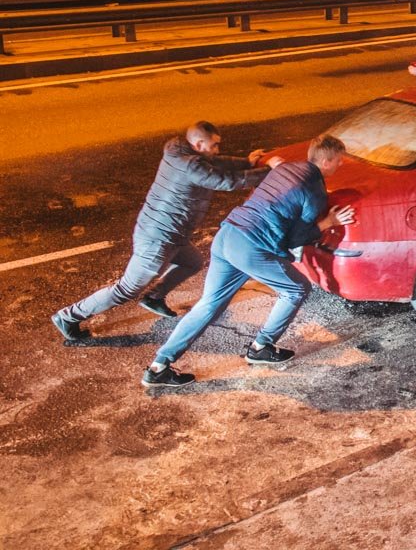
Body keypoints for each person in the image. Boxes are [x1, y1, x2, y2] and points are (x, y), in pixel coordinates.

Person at [142, 135, 356, 387]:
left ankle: (159, 366)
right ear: (326, 160)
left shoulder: (286, 167)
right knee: (296, 288)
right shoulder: (313, 190)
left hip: (227, 235)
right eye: (338, 161)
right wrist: (330, 222)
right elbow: (297, 236)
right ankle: (262, 346)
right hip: (251, 247)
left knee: (209, 305)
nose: (340, 165)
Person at [51, 122, 277, 342]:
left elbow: (215, 163)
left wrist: (247, 162)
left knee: (192, 263)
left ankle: (155, 297)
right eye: (214, 145)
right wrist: (269, 171)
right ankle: (68, 316)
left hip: (168, 232)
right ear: (198, 144)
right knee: (126, 289)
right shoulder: (191, 166)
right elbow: (226, 181)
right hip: (159, 239)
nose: (217, 149)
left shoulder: (180, 151)